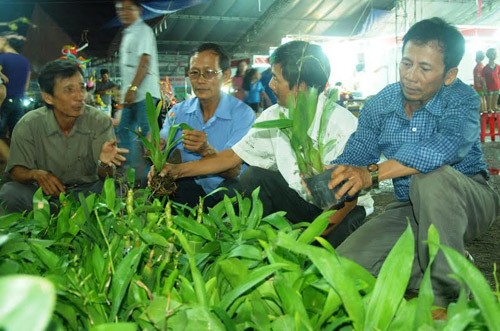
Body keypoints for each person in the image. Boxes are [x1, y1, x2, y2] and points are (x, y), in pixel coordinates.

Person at [327, 18, 499, 308]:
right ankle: (440, 263)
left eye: (425, 68)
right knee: (346, 270)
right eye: (407, 63)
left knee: (430, 178)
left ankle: (448, 299)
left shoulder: (462, 99)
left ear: (449, 74)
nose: (411, 76)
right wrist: (333, 176)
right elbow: (357, 157)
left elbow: (441, 150)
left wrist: (371, 174)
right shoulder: (381, 105)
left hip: (469, 198)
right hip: (408, 206)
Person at [154, 40, 374, 247]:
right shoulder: (273, 116)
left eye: (277, 78)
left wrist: (309, 242)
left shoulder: (341, 126)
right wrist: (176, 171)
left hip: (341, 212)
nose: (270, 84)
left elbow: (346, 202)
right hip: (300, 201)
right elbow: (231, 157)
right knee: (254, 177)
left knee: (326, 260)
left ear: (300, 86)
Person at [0, 59, 128, 213]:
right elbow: (16, 171)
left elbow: (106, 176)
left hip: (87, 194)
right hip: (46, 196)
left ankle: (76, 215)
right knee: (10, 193)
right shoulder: (28, 124)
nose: (79, 96)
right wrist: (35, 174)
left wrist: (105, 164)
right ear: (48, 97)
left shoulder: (99, 121)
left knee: (114, 189)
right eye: (69, 90)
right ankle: (61, 216)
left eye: (82, 88)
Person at [158, 43, 255, 208]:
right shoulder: (179, 112)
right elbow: (160, 144)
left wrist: (205, 151)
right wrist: (153, 147)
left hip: (227, 190)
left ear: (225, 76)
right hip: (189, 187)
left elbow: (234, 171)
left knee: (232, 195)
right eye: (194, 73)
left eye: (209, 73)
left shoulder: (243, 115)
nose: (200, 80)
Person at [115, 0, 161, 185]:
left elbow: (144, 61)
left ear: (139, 10)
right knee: (124, 131)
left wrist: (133, 88)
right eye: (120, 9)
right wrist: (125, 94)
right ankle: (131, 176)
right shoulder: (127, 34)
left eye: (128, 8)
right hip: (131, 97)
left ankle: (156, 176)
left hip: (146, 96)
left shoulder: (143, 31)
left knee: (150, 137)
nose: (123, 12)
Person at [0, 32, 31, 142]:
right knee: (17, 136)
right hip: (19, 103)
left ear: (4, 40)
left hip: (3, 102)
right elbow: (26, 85)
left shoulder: (2, 58)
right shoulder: (25, 61)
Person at [482, 48, 500, 113]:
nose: (495, 55)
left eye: (495, 54)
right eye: (493, 53)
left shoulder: (498, 67)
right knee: (489, 108)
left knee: (494, 106)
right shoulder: (485, 68)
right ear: (489, 55)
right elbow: (483, 80)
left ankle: (496, 120)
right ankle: (489, 120)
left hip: (497, 87)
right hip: (489, 89)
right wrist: (484, 89)